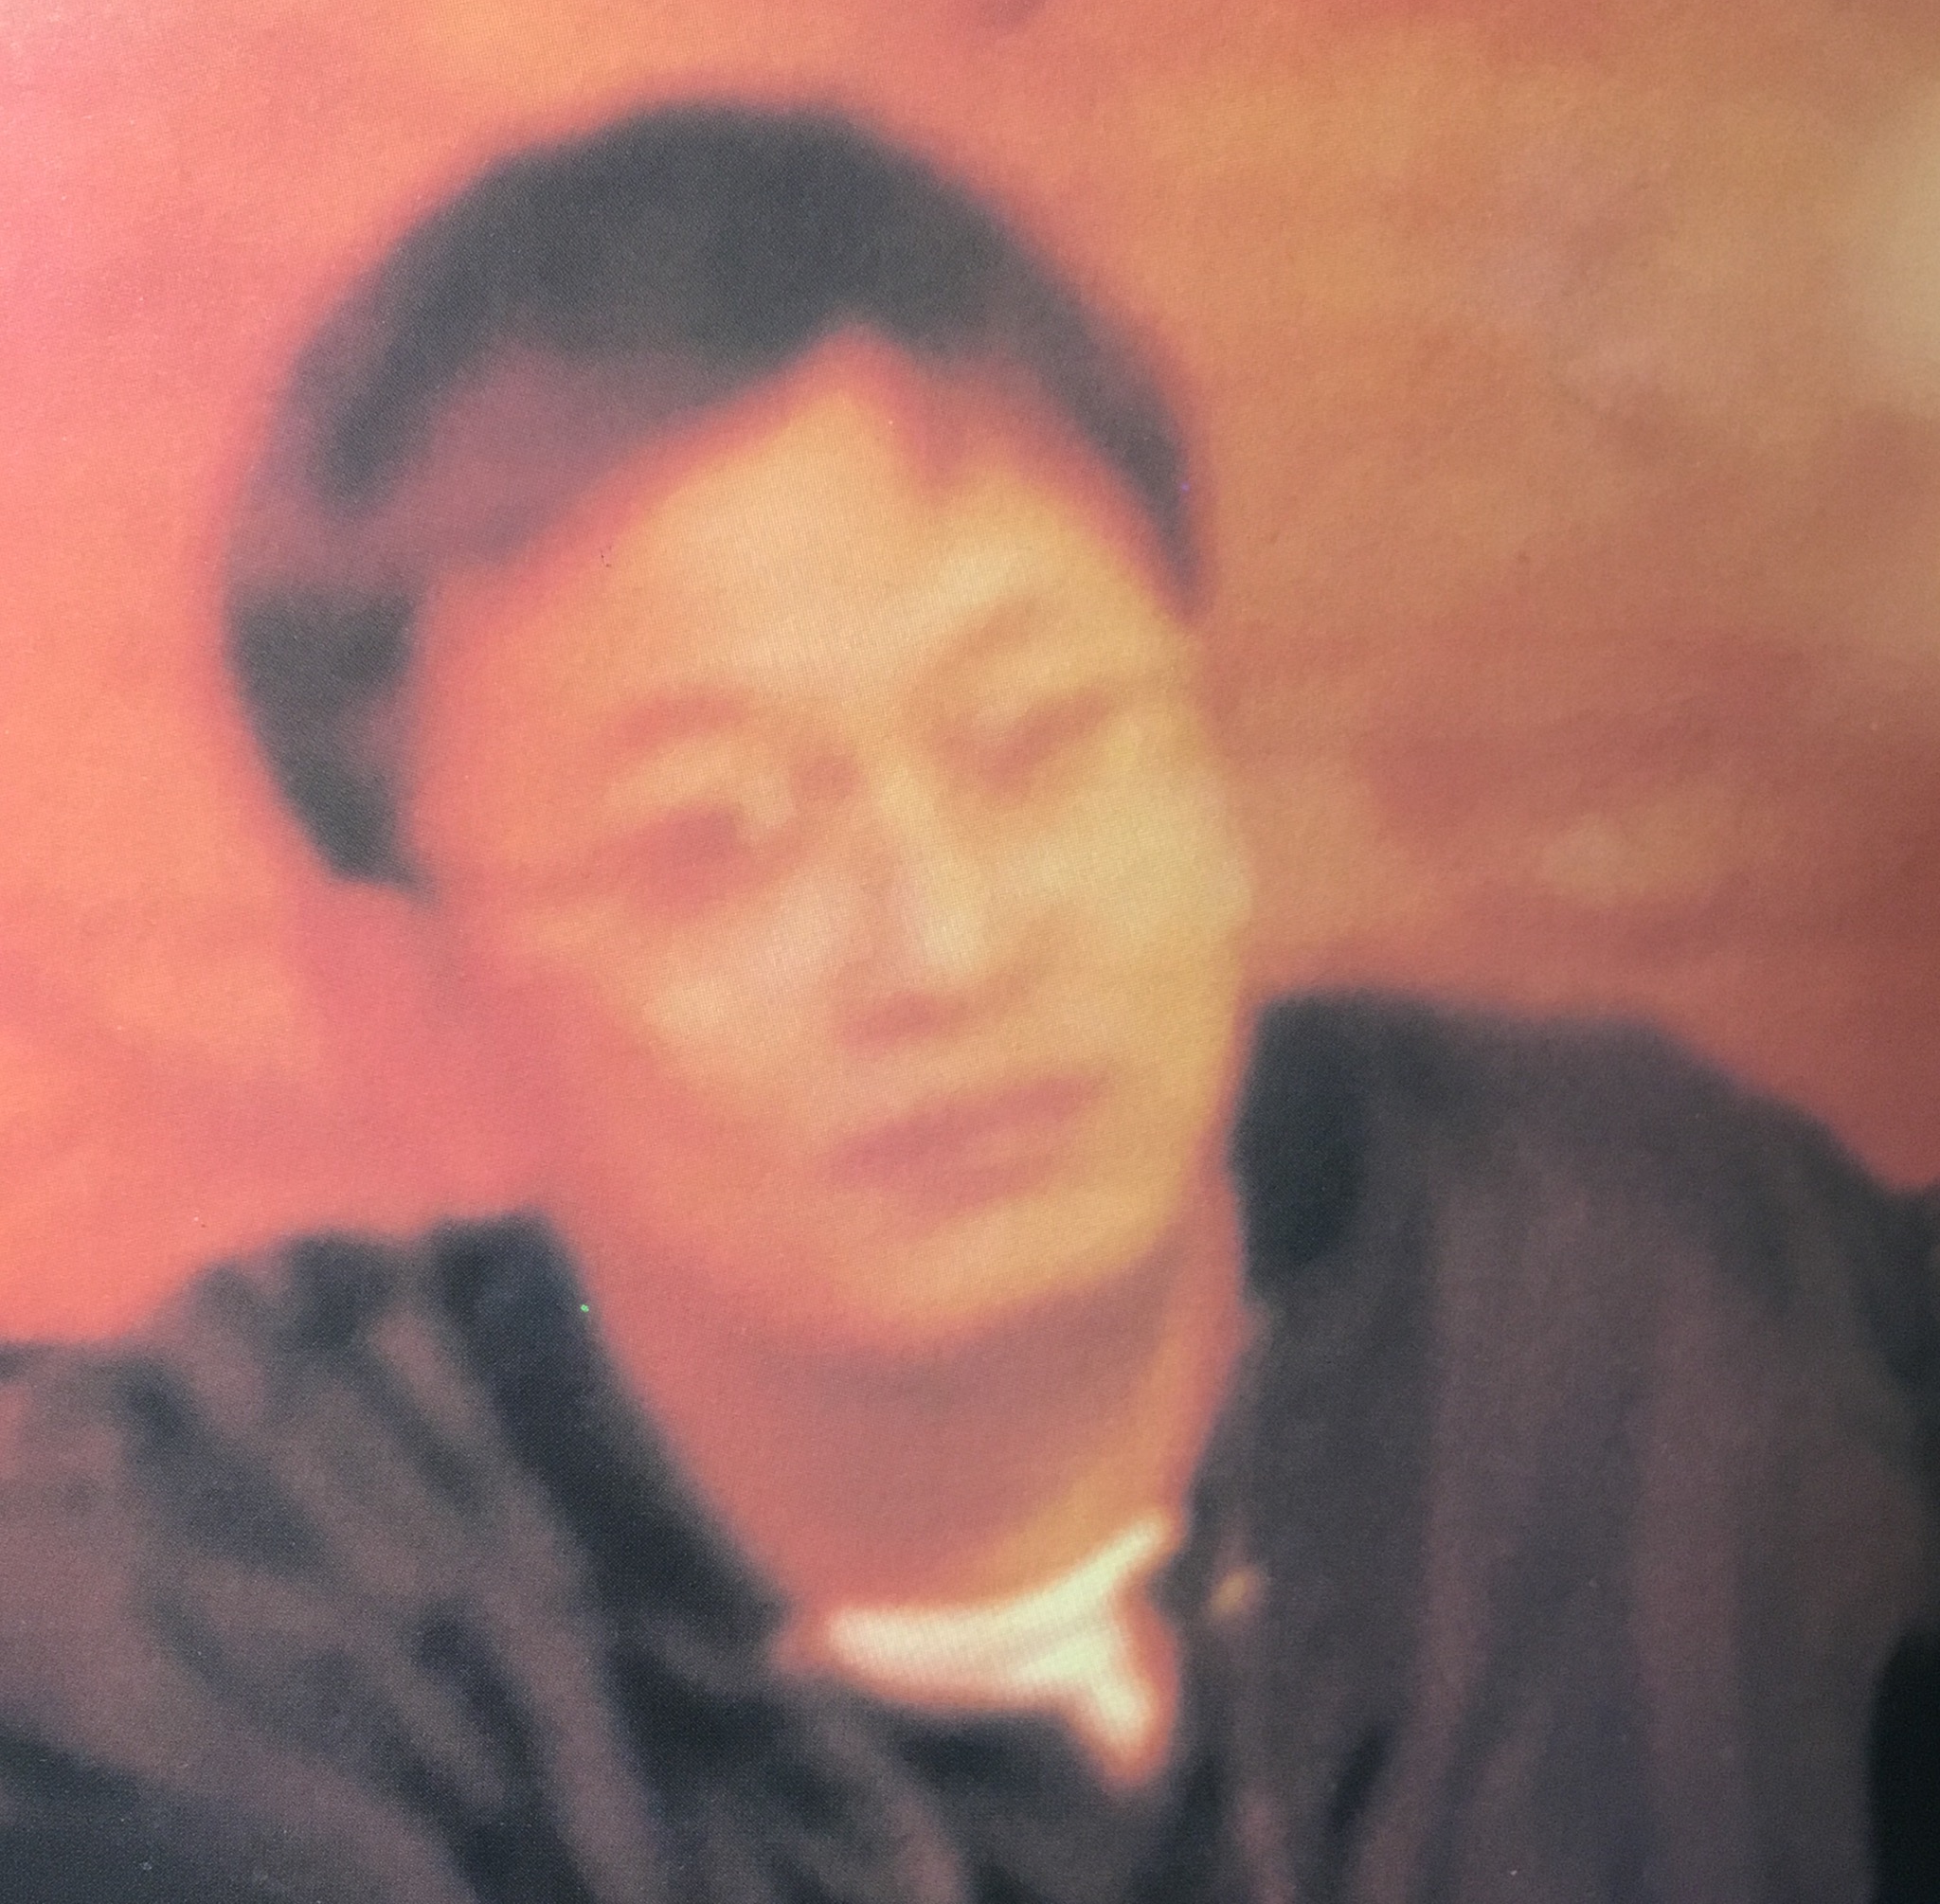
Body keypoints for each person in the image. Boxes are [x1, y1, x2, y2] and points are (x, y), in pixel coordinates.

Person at [0, 100, 1934, 1904]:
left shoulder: (1663, 1293)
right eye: (714, 840)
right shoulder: (188, 1650)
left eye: (1040, 738)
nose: (945, 947)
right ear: (415, 1014)